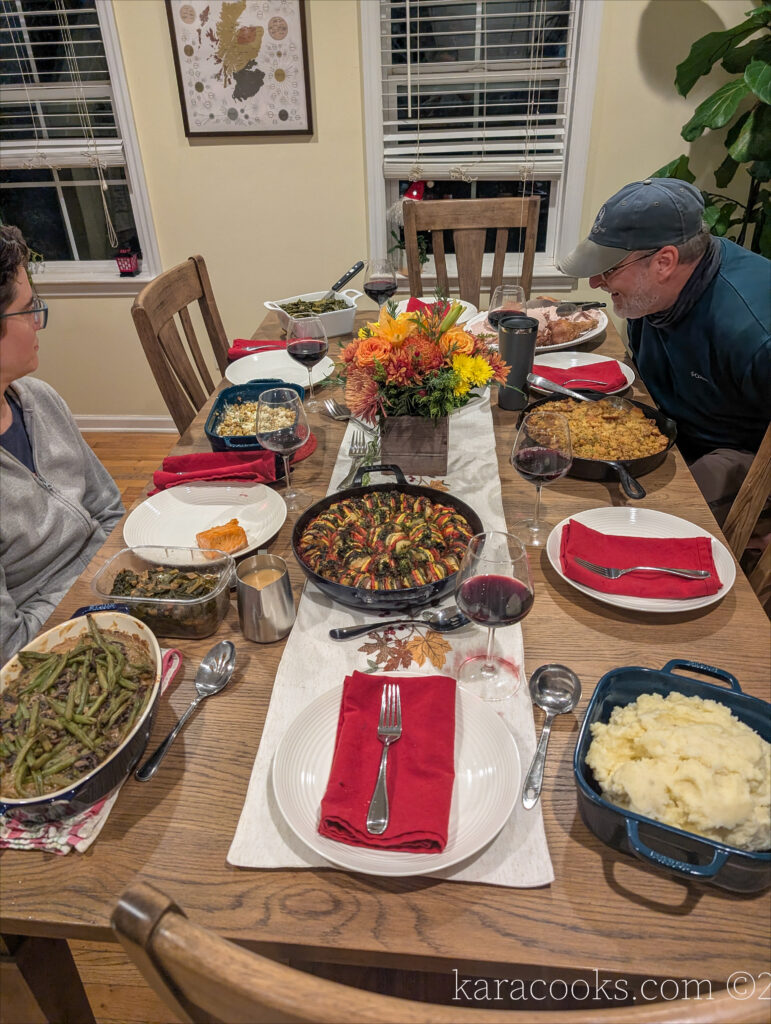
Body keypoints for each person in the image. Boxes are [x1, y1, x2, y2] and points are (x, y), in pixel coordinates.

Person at [558, 178, 770, 524]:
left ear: (664, 261)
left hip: (730, 455)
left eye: (609, 268)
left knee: (636, 523)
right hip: (666, 429)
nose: (596, 282)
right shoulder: (654, 292)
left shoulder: (755, 330)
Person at [0, 225, 124, 663]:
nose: (38, 322)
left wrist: (122, 584)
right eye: (27, 309)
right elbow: (12, 651)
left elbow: (109, 510)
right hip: (64, 649)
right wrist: (98, 609)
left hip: (117, 587)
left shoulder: (40, 399)